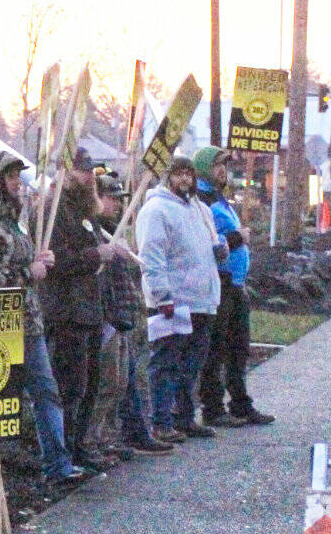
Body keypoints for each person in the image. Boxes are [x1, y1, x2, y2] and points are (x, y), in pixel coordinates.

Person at [0, 151, 85, 492]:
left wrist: (38, 261)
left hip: (29, 323)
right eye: (11, 177)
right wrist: (27, 272)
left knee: (46, 391)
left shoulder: (16, 224)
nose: (18, 184)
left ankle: (57, 464)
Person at [42, 148, 122, 472]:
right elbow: (56, 260)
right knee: (70, 386)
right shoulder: (53, 210)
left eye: (90, 169)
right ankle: (64, 452)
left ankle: (79, 446)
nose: (88, 175)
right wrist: (96, 256)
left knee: (89, 383)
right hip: (66, 310)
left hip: (89, 308)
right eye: (81, 169)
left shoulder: (84, 210)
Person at [136, 155, 222, 444]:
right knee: (165, 363)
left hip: (202, 301)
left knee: (190, 366)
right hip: (173, 302)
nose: (185, 179)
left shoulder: (200, 209)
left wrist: (218, 250)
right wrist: (162, 296)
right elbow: (152, 256)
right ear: (167, 177)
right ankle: (161, 421)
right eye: (179, 174)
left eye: (189, 174)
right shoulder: (157, 210)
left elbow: (206, 246)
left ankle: (184, 418)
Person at [87, 173, 170, 458]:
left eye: (120, 200)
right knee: (109, 382)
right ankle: (95, 439)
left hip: (126, 317)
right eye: (111, 199)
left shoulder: (116, 234)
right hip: (108, 318)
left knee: (126, 381)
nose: (117, 205)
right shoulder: (96, 235)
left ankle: (113, 435)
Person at [193, 147, 275, 430]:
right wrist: (237, 238)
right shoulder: (201, 200)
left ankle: (240, 402)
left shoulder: (218, 198)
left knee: (238, 346)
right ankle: (213, 407)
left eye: (224, 166)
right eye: (217, 165)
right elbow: (205, 240)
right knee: (217, 347)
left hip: (235, 282)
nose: (222, 171)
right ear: (204, 167)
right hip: (220, 280)